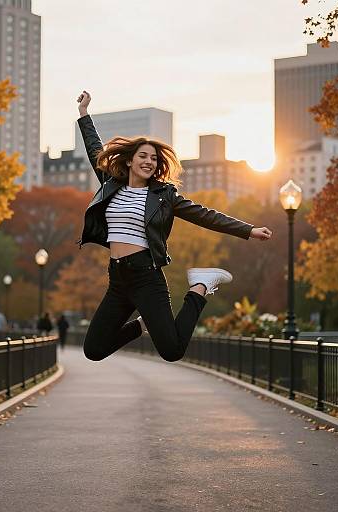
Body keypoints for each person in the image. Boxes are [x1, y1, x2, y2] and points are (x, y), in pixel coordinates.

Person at [75, 91, 272, 362]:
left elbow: (204, 215)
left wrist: (248, 230)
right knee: (94, 350)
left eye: (154, 159)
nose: (148, 161)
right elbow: (95, 149)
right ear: (130, 160)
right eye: (143, 156)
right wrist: (84, 113)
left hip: (147, 276)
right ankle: (144, 324)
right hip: (118, 280)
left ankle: (200, 286)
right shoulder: (110, 184)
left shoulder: (164, 196)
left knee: (172, 351)